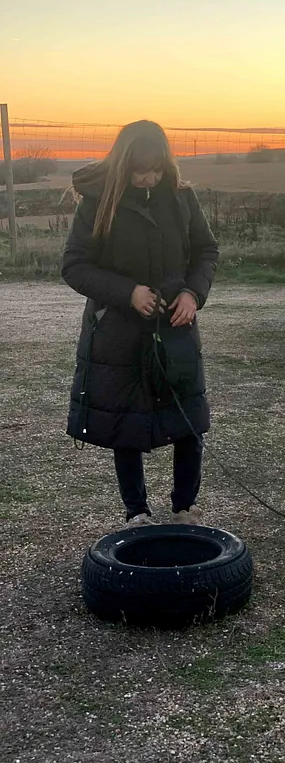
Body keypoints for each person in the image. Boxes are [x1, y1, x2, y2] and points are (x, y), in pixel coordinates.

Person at [62, 120, 219, 525]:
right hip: (119, 330)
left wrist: (192, 294)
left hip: (176, 325)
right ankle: (137, 512)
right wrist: (128, 292)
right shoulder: (97, 201)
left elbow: (206, 251)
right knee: (126, 423)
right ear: (123, 165)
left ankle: (185, 507)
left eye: (156, 169)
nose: (149, 177)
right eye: (140, 170)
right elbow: (75, 266)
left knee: (188, 419)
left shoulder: (182, 198)